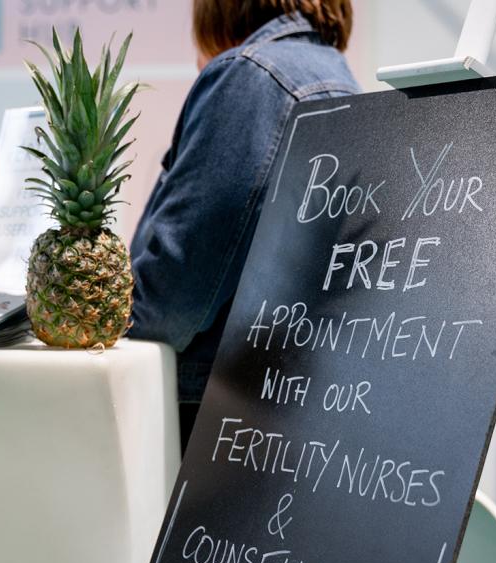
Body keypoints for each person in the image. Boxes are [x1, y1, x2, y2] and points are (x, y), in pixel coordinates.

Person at [127, 0, 359, 448]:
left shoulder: (252, 76)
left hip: (210, 428)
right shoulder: (340, 80)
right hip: (285, 417)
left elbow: (170, 301)